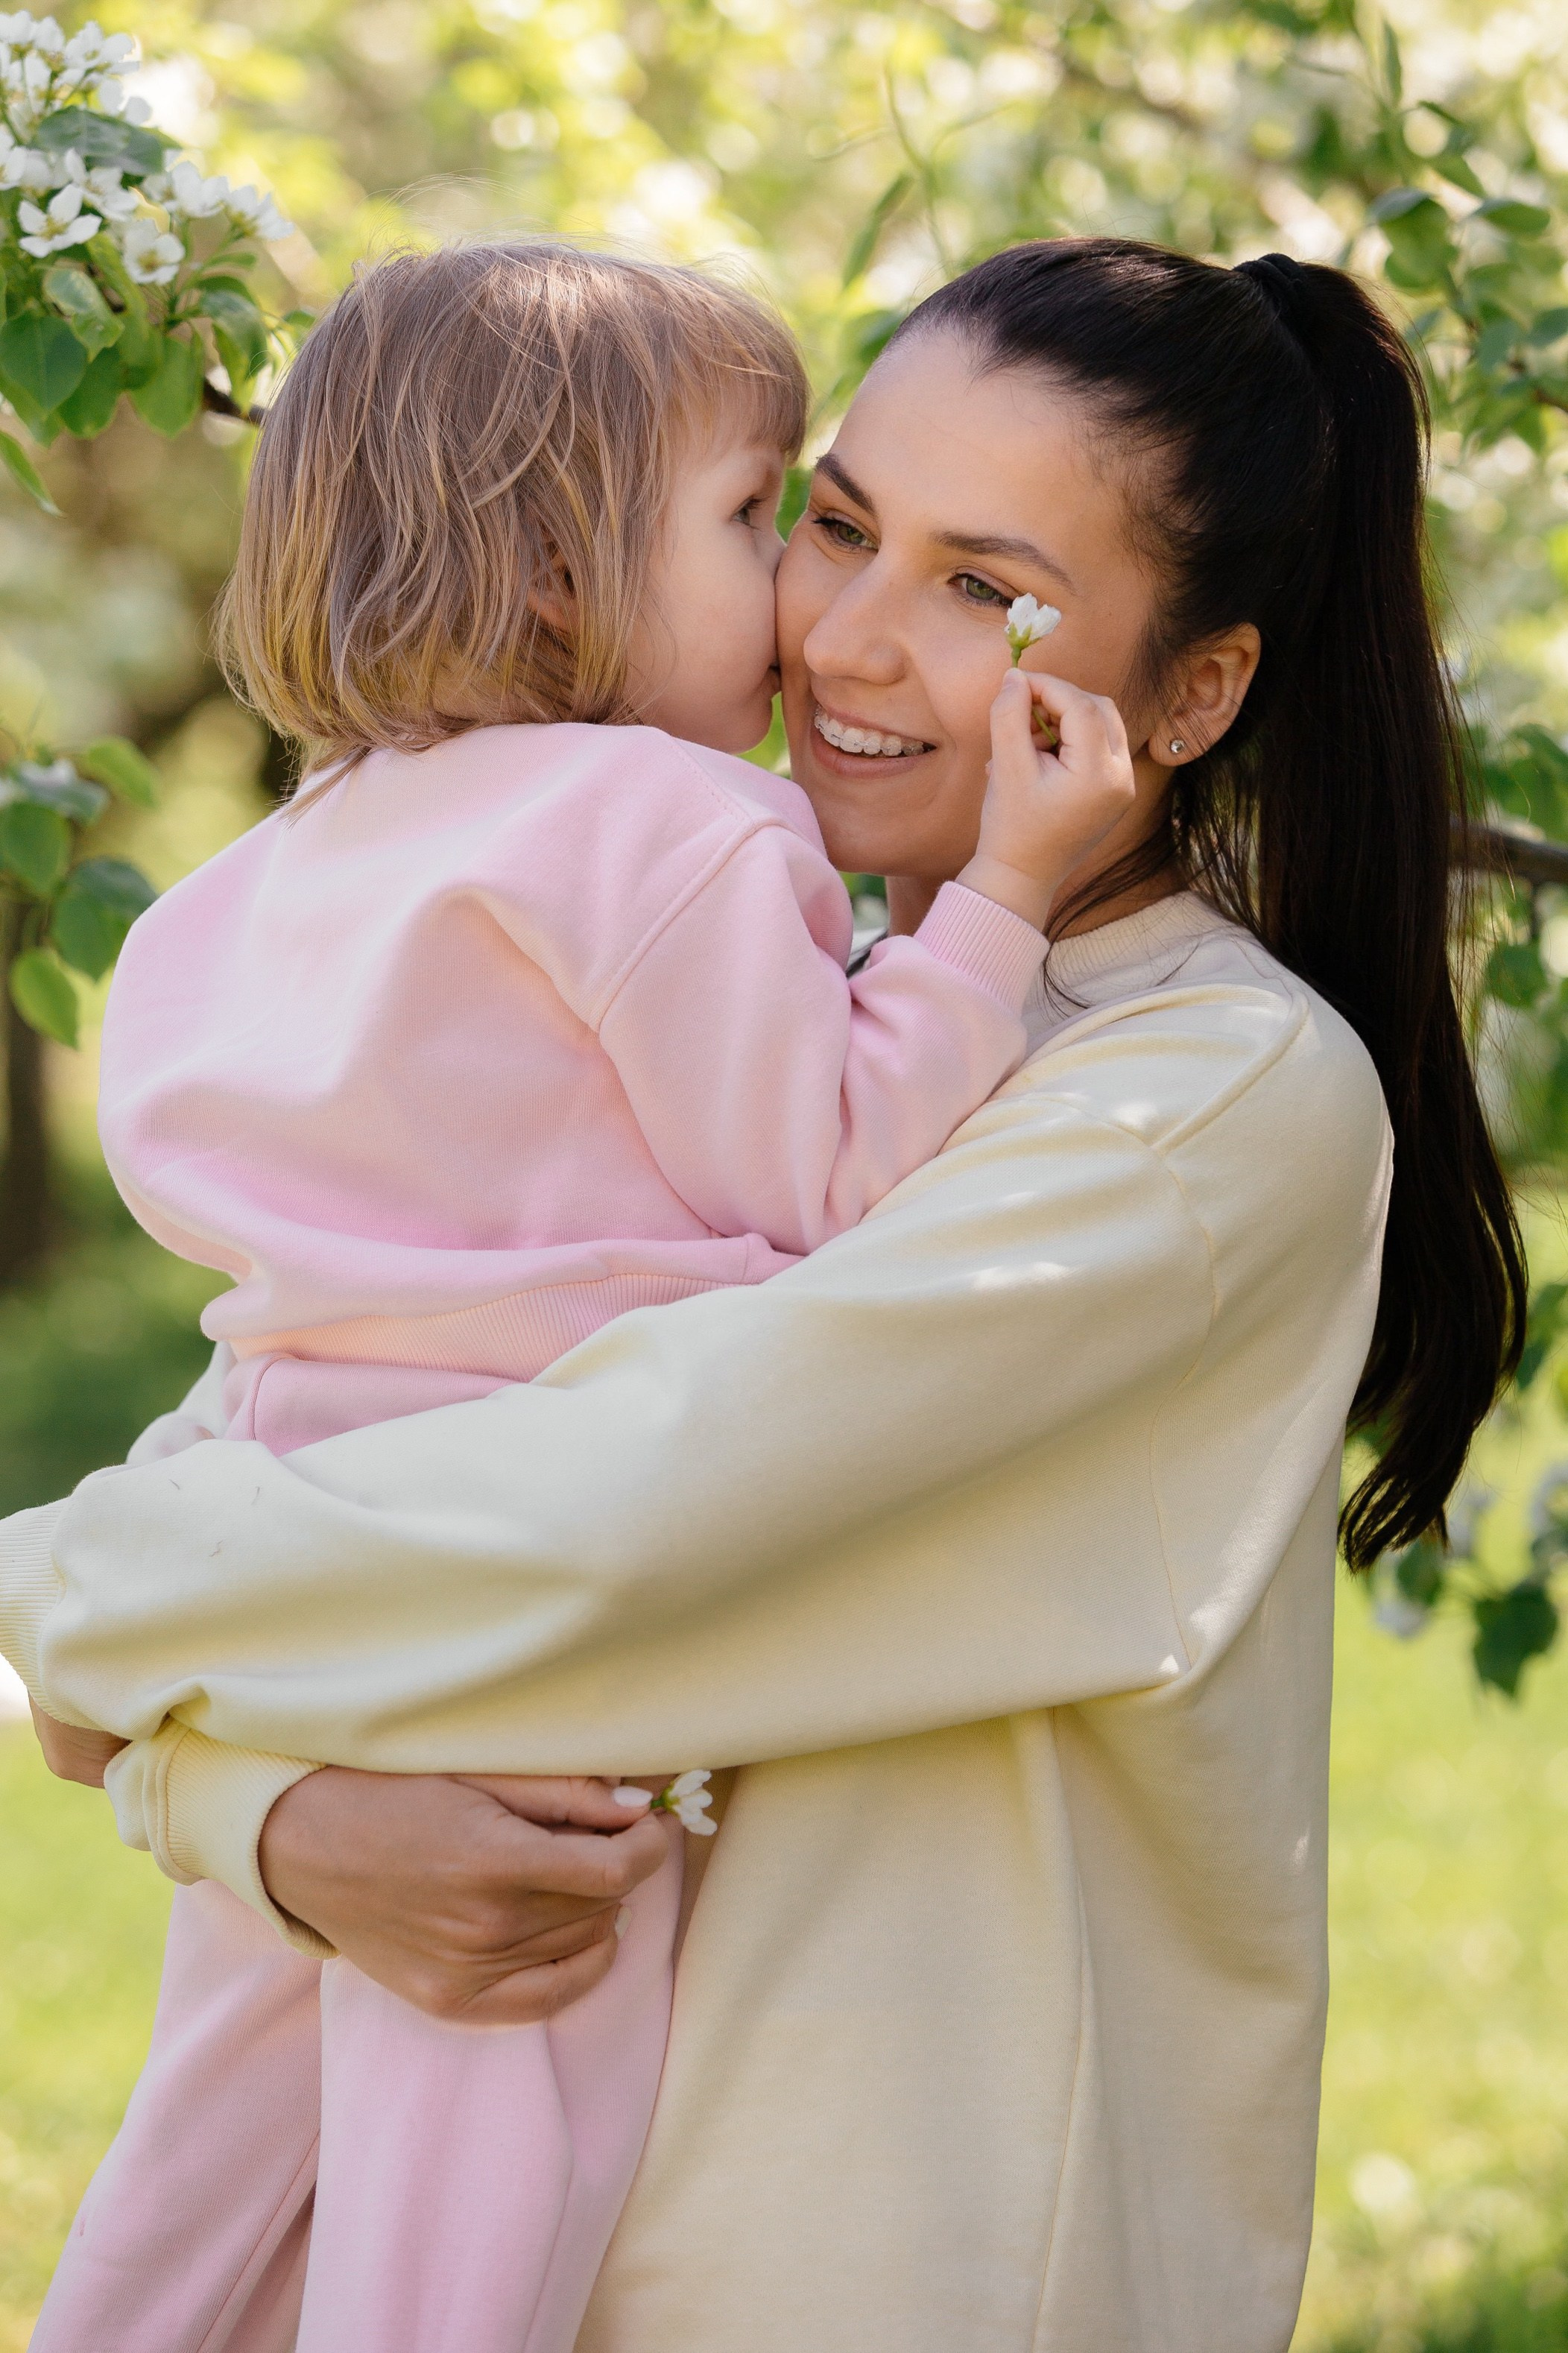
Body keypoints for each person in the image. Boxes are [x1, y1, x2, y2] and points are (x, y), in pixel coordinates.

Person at [9, 239, 1525, 2353]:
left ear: (1190, 695)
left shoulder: (1212, 1105)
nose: (851, 638)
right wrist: (264, 1813)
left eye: (988, 590)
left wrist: (77, 1622)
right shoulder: (751, 1013)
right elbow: (359, 1398)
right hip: (564, 2221)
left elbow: (625, 1508)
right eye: (824, 521)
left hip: (882, 2243)